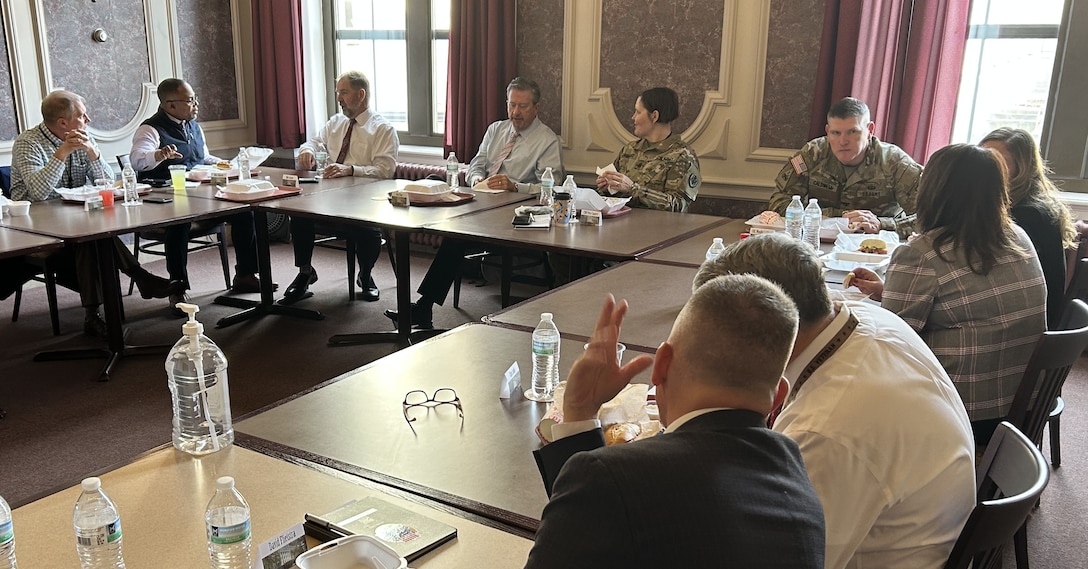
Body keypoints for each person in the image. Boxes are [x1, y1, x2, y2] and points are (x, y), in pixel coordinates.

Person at [696, 232, 975, 569]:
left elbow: (794, 557)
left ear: (759, 331)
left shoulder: (824, 428)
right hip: (921, 526)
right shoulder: (869, 318)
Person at [526, 278, 826, 568]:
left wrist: (578, 410)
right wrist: (580, 412)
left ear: (663, 364)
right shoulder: (799, 482)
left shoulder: (612, 479)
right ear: (779, 396)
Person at [850, 144, 1047, 445]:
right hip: (1023, 405)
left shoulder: (922, 254)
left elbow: (888, 345)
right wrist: (887, 291)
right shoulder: (1017, 237)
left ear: (932, 190)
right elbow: (966, 301)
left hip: (959, 414)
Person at [384, 77, 564, 328]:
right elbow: (476, 164)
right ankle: (422, 302)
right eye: (511, 105)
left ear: (537, 107)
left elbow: (552, 188)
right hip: (480, 201)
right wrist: (478, 177)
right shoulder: (496, 130)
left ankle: (423, 307)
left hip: (512, 214)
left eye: (523, 106)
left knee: (456, 237)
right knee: (435, 183)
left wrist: (515, 186)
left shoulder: (547, 141)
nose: (515, 112)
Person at [9, 89, 183, 336]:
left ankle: (95, 314)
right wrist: (62, 153)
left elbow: (107, 181)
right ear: (63, 123)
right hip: (36, 230)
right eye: (82, 115)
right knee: (91, 240)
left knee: (94, 236)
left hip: (74, 218)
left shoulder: (83, 136)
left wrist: (93, 153)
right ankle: (138, 279)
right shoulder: (28, 144)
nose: (88, 120)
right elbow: (38, 194)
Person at [130, 78, 265, 315]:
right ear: (170, 105)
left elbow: (202, 157)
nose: (196, 104)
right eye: (190, 100)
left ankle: (245, 274)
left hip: (199, 196)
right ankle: (177, 288)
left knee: (244, 212)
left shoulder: (193, 125)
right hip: (164, 199)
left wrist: (222, 163)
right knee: (179, 222)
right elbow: (137, 160)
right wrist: (159, 155)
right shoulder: (150, 129)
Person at [282, 70, 399, 304]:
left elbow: (386, 169)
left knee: (366, 228)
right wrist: (306, 150)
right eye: (338, 93)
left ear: (361, 94)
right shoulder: (336, 122)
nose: (339, 99)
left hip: (364, 199)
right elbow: (314, 142)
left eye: (344, 93)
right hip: (328, 195)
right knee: (299, 212)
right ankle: (305, 272)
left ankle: (365, 276)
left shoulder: (382, 129)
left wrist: (352, 169)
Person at [769, 97, 922, 238]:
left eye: (852, 132)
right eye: (836, 133)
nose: (843, 141)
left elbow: (930, 219)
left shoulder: (895, 163)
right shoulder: (812, 155)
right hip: (819, 241)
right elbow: (779, 202)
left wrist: (881, 225)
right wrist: (836, 216)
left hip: (878, 245)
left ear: (870, 130)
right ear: (828, 132)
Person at [980, 127, 1075, 326]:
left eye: (996, 162)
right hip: (1035, 321)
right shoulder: (1038, 205)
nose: (983, 168)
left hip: (1024, 327)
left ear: (1021, 168)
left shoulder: (1026, 216)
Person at [594, 87, 701, 213]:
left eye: (638, 112)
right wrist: (607, 188)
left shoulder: (683, 156)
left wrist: (633, 189)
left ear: (654, 116)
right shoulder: (630, 150)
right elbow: (616, 196)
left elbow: (678, 205)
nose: (633, 117)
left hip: (659, 230)